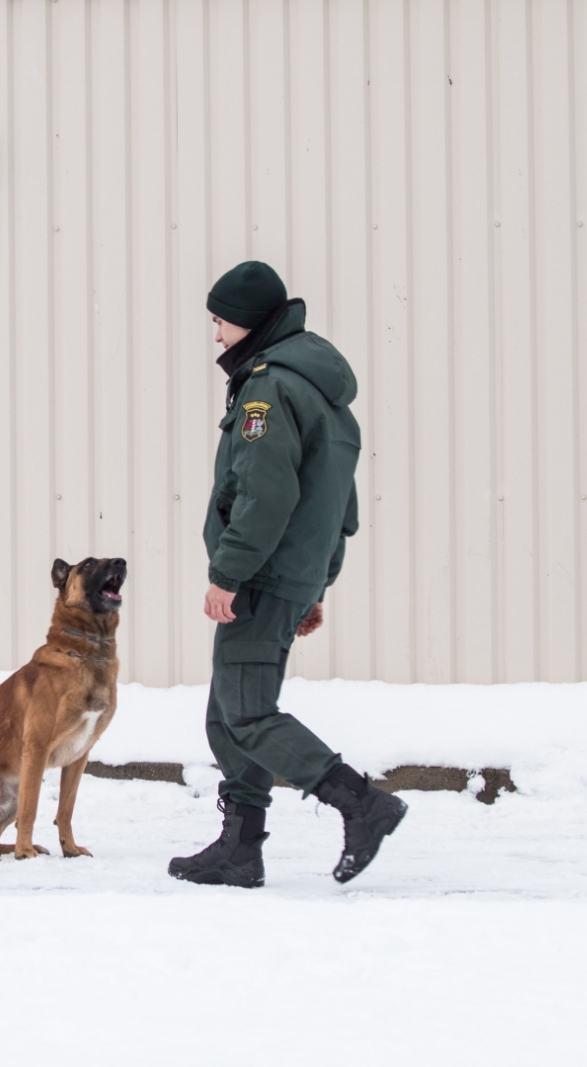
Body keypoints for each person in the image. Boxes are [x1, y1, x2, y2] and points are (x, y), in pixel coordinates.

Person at [168, 260, 407, 889]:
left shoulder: (268, 390)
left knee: (247, 715)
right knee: (228, 713)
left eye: (219, 322)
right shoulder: (314, 386)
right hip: (289, 576)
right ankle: (239, 848)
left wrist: (228, 573)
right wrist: (318, 583)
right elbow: (337, 500)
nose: (216, 335)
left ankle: (361, 802)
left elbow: (264, 494)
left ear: (245, 322)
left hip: (262, 577)